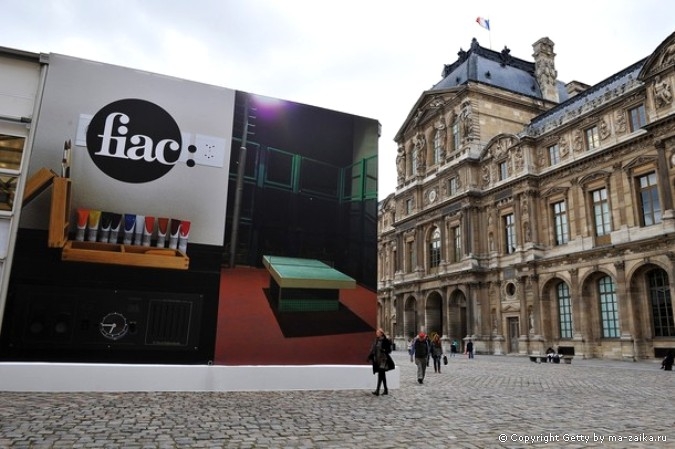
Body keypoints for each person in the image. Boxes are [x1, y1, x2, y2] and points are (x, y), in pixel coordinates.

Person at [367, 328, 394, 396]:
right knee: (382, 375)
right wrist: (369, 356)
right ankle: (386, 390)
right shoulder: (376, 340)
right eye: (377, 332)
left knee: (380, 374)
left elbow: (389, 350)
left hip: (383, 360)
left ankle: (377, 390)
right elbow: (373, 349)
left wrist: (384, 350)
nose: (377, 334)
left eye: (378, 332)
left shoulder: (385, 341)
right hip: (377, 360)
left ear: (381, 333)